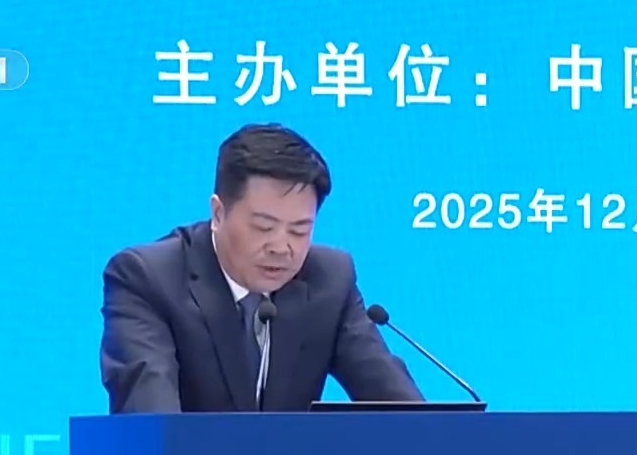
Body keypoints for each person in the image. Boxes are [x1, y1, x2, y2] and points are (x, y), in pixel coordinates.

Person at [99, 123, 424, 413]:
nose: (281, 248)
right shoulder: (147, 278)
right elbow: (152, 422)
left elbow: (403, 412)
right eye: (264, 227)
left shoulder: (330, 280)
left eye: (299, 230)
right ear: (218, 213)